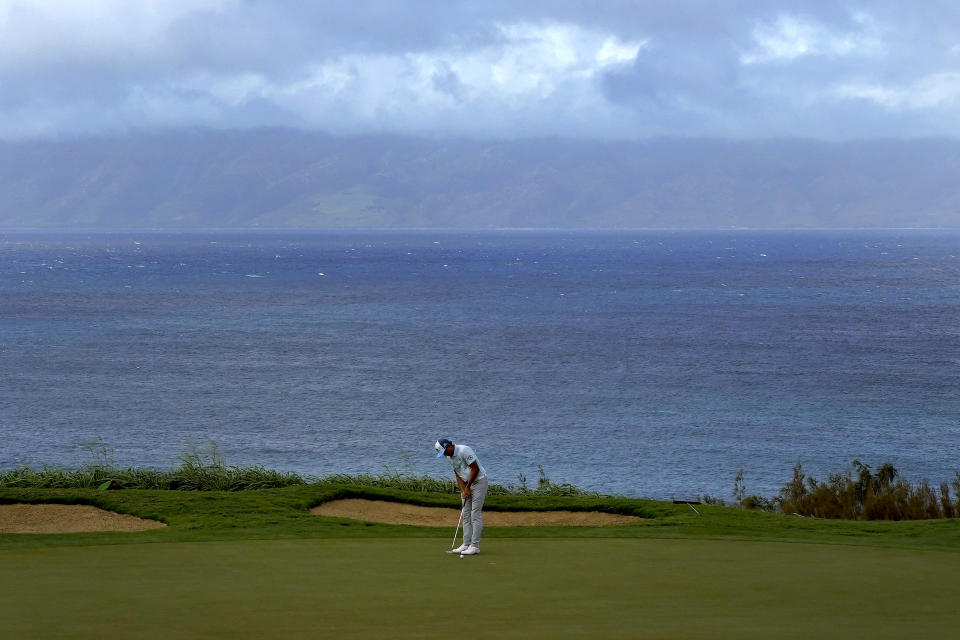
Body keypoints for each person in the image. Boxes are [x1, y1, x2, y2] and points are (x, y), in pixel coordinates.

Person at [434, 437, 487, 555]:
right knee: (466, 514)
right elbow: (457, 473)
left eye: (444, 451)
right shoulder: (449, 457)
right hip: (467, 484)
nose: (444, 455)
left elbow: (475, 468)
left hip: (479, 481)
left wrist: (468, 487)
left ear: (449, 446)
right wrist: (464, 489)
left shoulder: (464, 450)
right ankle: (466, 544)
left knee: (475, 514)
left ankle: (475, 546)